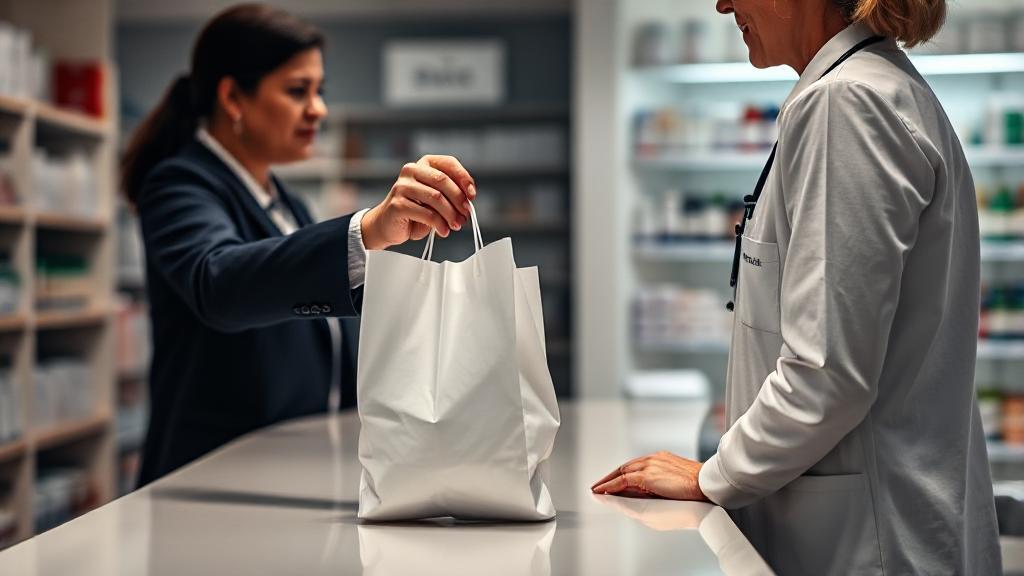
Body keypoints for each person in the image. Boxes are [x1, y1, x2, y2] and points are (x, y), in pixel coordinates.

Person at [592, 0, 1001, 573]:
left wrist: (714, 474)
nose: (722, 3)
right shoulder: (866, 88)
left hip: (867, 543)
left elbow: (827, 370)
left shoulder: (845, 103)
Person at [121, 4, 477, 486]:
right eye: (297, 91)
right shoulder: (179, 182)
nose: (319, 109)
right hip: (211, 482)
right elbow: (218, 282)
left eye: (319, 91)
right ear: (233, 98)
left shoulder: (285, 203)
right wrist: (370, 229)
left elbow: (326, 319)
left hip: (294, 472)